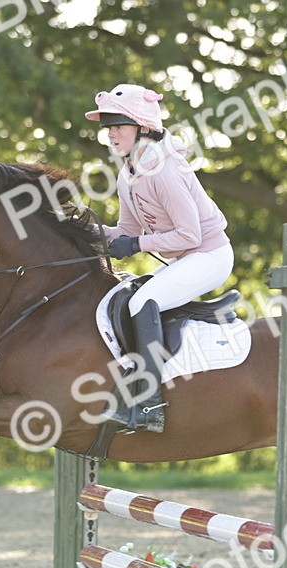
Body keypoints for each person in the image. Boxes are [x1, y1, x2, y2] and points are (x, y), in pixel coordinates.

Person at [85, 83, 233, 433]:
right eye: (108, 127)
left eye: (119, 125)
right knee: (125, 299)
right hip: (186, 258)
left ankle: (150, 405)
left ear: (143, 129)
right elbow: (126, 229)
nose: (111, 134)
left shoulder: (165, 170)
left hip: (209, 254)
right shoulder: (128, 175)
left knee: (143, 300)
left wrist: (136, 245)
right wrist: (83, 229)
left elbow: (189, 235)